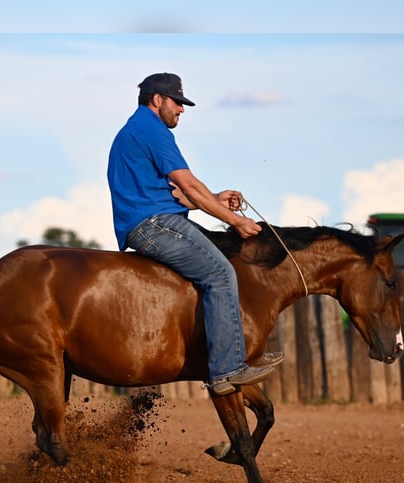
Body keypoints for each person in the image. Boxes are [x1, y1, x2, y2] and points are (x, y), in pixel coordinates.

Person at [107, 72, 284, 397]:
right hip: (152, 224)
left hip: (154, 217)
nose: (182, 110)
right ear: (157, 100)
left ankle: (239, 354)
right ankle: (228, 369)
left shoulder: (139, 129)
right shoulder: (152, 130)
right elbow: (188, 184)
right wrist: (235, 221)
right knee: (220, 273)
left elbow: (175, 194)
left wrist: (214, 200)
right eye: (178, 103)